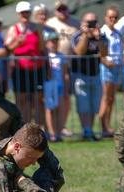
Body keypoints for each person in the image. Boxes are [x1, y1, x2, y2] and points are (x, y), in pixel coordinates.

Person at [5, 1, 46, 127]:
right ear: (18, 13)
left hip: (37, 68)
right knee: (21, 100)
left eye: (27, 12)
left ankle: (39, 129)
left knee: (38, 100)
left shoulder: (37, 27)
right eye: (23, 12)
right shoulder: (13, 29)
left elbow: (41, 48)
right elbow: (7, 49)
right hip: (20, 69)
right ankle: (23, 128)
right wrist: (17, 42)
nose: (25, 14)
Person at [71, 12, 108, 140]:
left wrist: (98, 39)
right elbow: (79, 52)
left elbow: (104, 54)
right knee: (83, 104)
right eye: (89, 22)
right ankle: (86, 130)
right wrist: (86, 35)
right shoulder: (77, 36)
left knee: (93, 105)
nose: (91, 25)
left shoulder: (101, 36)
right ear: (83, 23)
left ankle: (90, 131)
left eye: (93, 22)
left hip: (96, 74)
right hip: (80, 75)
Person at [45, 0, 79, 137]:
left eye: (64, 8)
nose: (62, 11)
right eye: (59, 9)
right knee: (50, 106)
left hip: (70, 66)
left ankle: (60, 128)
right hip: (50, 79)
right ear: (55, 11)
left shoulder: (76, 23)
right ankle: (51, 131)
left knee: (64, 102)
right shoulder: (49, 23)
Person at [99, 5, 123, 137]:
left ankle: (107, 125)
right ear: (105, 18)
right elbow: (100, 53)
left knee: (112, 98)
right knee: (106, 97)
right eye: (110, 17)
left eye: (115, 17)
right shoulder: (102, 33)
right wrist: (106, 61)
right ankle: (103, 125)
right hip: (107, 68)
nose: (113, 19)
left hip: (117, 67)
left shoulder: (118, 33)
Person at [43, 31, 67, 142]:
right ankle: (51, 133)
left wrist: (66, 85)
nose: (54, 43)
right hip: (49, 85)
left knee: (59, 109)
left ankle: (58, 132)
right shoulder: (45, 56)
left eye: (56, 41)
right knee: (50, 109)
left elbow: (65, 72)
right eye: (51, 41)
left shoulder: (61, 55)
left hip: (60, 85)